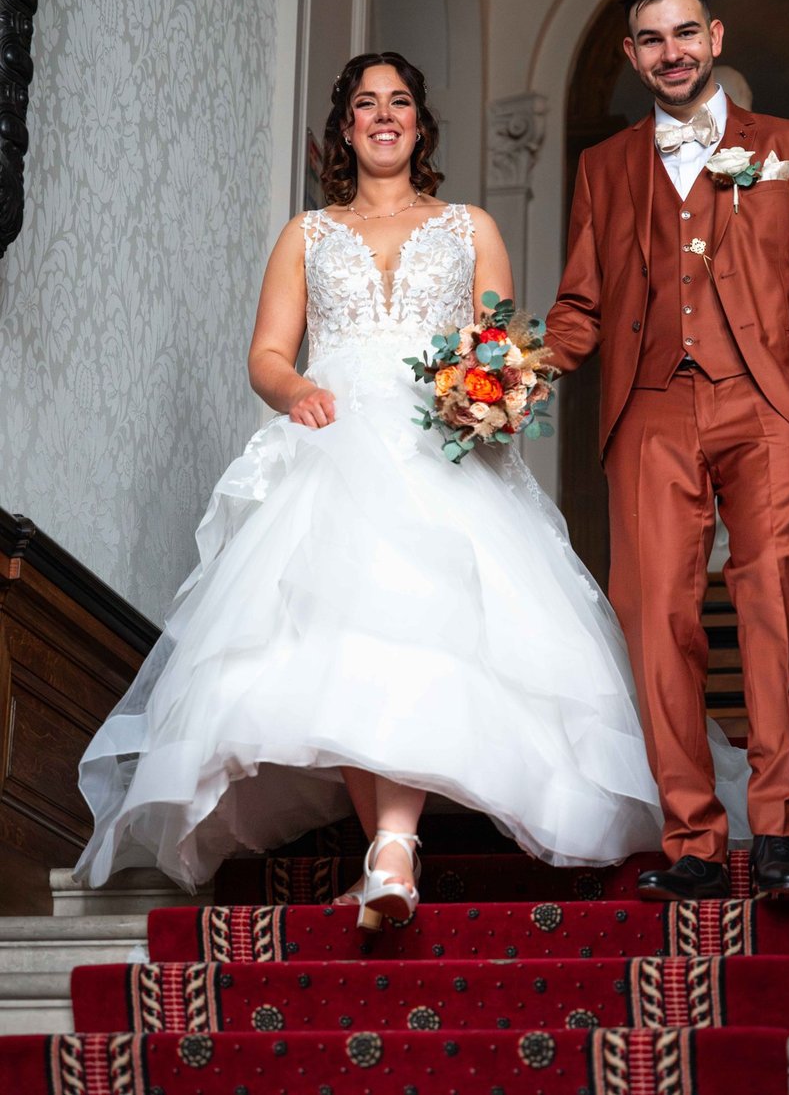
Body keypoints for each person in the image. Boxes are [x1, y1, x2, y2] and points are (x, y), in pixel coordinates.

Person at [73, 51, 750, 928]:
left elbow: (499, 349)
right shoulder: (307, 235)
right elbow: (267, 355)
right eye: (366, 103)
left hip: (442, 454)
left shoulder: (471, 227)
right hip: (334, 444)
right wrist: (297, 390)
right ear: (345, 127)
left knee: (409, 632)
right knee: (348, 638)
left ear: (420, 125)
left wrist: (495, 394)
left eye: (399, 102)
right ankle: (391, 849)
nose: (384, 115)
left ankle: (390, 853)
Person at [545, 0, 789, 904]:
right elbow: (580, 306)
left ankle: (779, 830)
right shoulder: (604, 167)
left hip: (766, 399)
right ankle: (690, 837)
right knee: (655, 616)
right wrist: (510, 371)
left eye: (685, 33)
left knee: (775, 599)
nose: (672, 52)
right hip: (649, 405)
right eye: (652, 40)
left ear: (714, 38)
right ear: (631, 55)